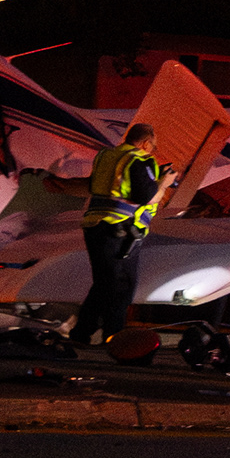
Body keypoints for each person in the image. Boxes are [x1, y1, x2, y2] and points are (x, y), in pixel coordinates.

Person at [73, 122, 161, 344]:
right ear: (145, 143)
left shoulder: (106, 155)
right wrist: (165, 182)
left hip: (96, 224)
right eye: (153, 146)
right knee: (120, 285)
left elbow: (94, 186)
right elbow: (145, 196)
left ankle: (84, 332)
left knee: (106, 282)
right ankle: (113, 337)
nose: (152, 151)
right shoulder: (141, 159)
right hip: (120, 229)